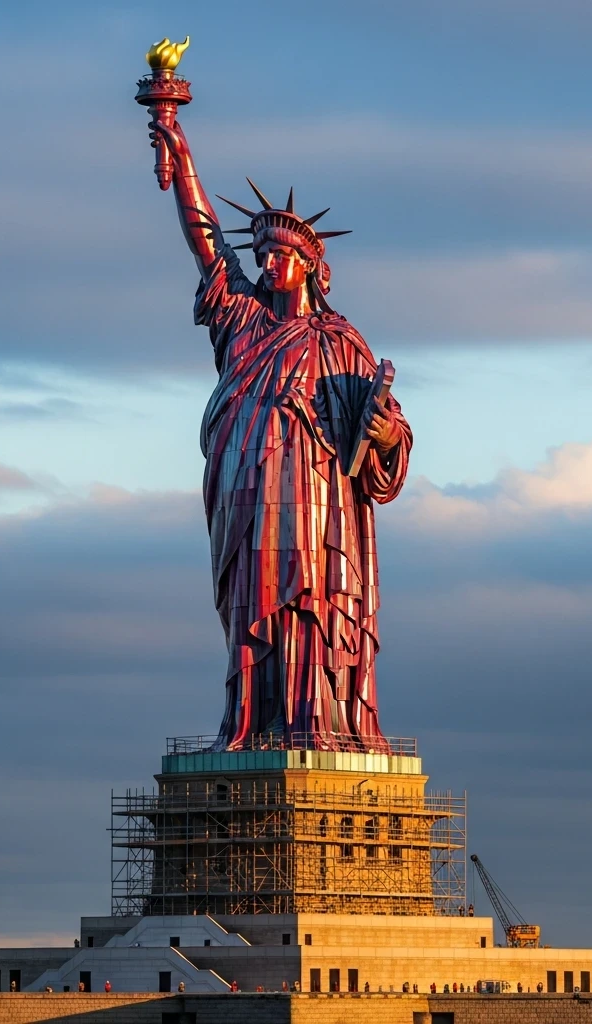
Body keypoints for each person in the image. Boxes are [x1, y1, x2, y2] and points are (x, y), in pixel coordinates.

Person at [146, 117, 412, 753]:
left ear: (311, 267)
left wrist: (382, 432)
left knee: (315, 607)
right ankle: (252, 721)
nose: (267, 263)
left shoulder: (341, 343)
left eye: (282, 255)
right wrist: (176, 144)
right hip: (249, 494)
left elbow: (387, 437)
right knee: (252, 605)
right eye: (261, 254)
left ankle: (319, 721)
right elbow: (204, 237)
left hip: (321, 507)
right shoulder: (240, 319)